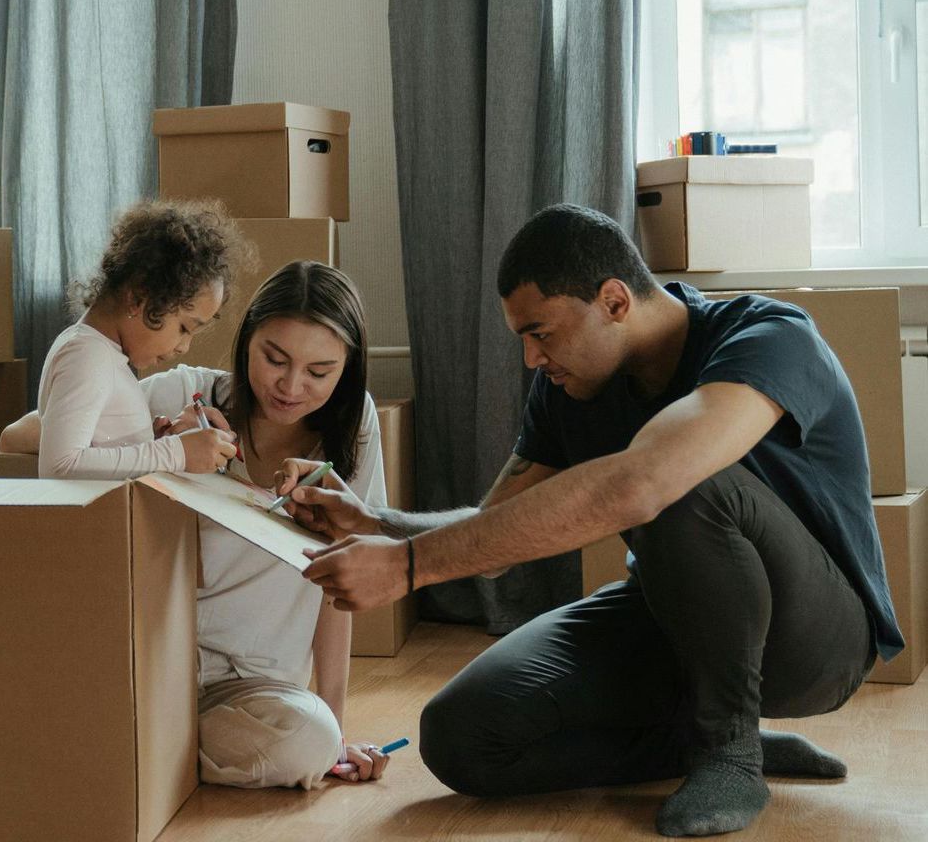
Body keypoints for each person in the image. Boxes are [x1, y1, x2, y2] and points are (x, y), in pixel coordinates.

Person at [277, 204, 901, 838]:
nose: (529, 358)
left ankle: (729, 753)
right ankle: (696, 741)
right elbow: (497, 533)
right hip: (672, 617)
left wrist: (408, 569)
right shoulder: (568, 389)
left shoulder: (769, 337)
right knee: (462, 736)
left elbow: (647, 482)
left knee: (680, 479)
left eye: (541, 333)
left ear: (614, 301)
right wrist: (377, 523)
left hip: (817, 642)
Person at [141, 260, 393, 790]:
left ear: (347, 369)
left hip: (255, 690)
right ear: (246, 340)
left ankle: (147, 752)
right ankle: (150, 746)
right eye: (274, 359)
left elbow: (339, 584)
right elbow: (22, 438)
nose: (291, 386)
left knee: (311, 740)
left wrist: (337, 730)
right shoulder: (185, 395)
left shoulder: (354, 430)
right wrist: (161, 444)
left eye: (320, 372)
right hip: (154, 665)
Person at [0, 199, 243, 477]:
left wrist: (149, 441)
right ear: (139, 298)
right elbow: (60, 467)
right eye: (184, 328)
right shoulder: (86, 356)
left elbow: (98, 450)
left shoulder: (103, 355)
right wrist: (176, 453)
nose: (184, 347)